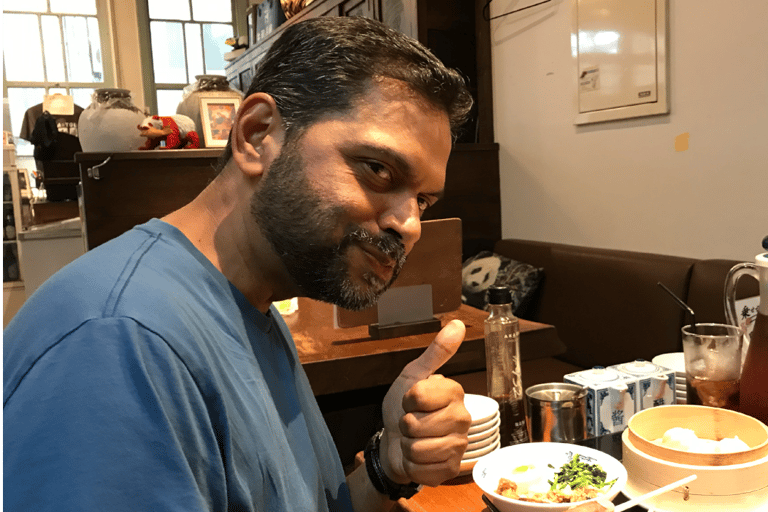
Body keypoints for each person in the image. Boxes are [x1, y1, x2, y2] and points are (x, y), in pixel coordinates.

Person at [3, 16, 612, 512]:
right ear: (257, 134)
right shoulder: (116, 343)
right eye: (378, 169)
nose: (409, 224)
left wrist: (387, 465)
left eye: (423, 199)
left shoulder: (253, 299)